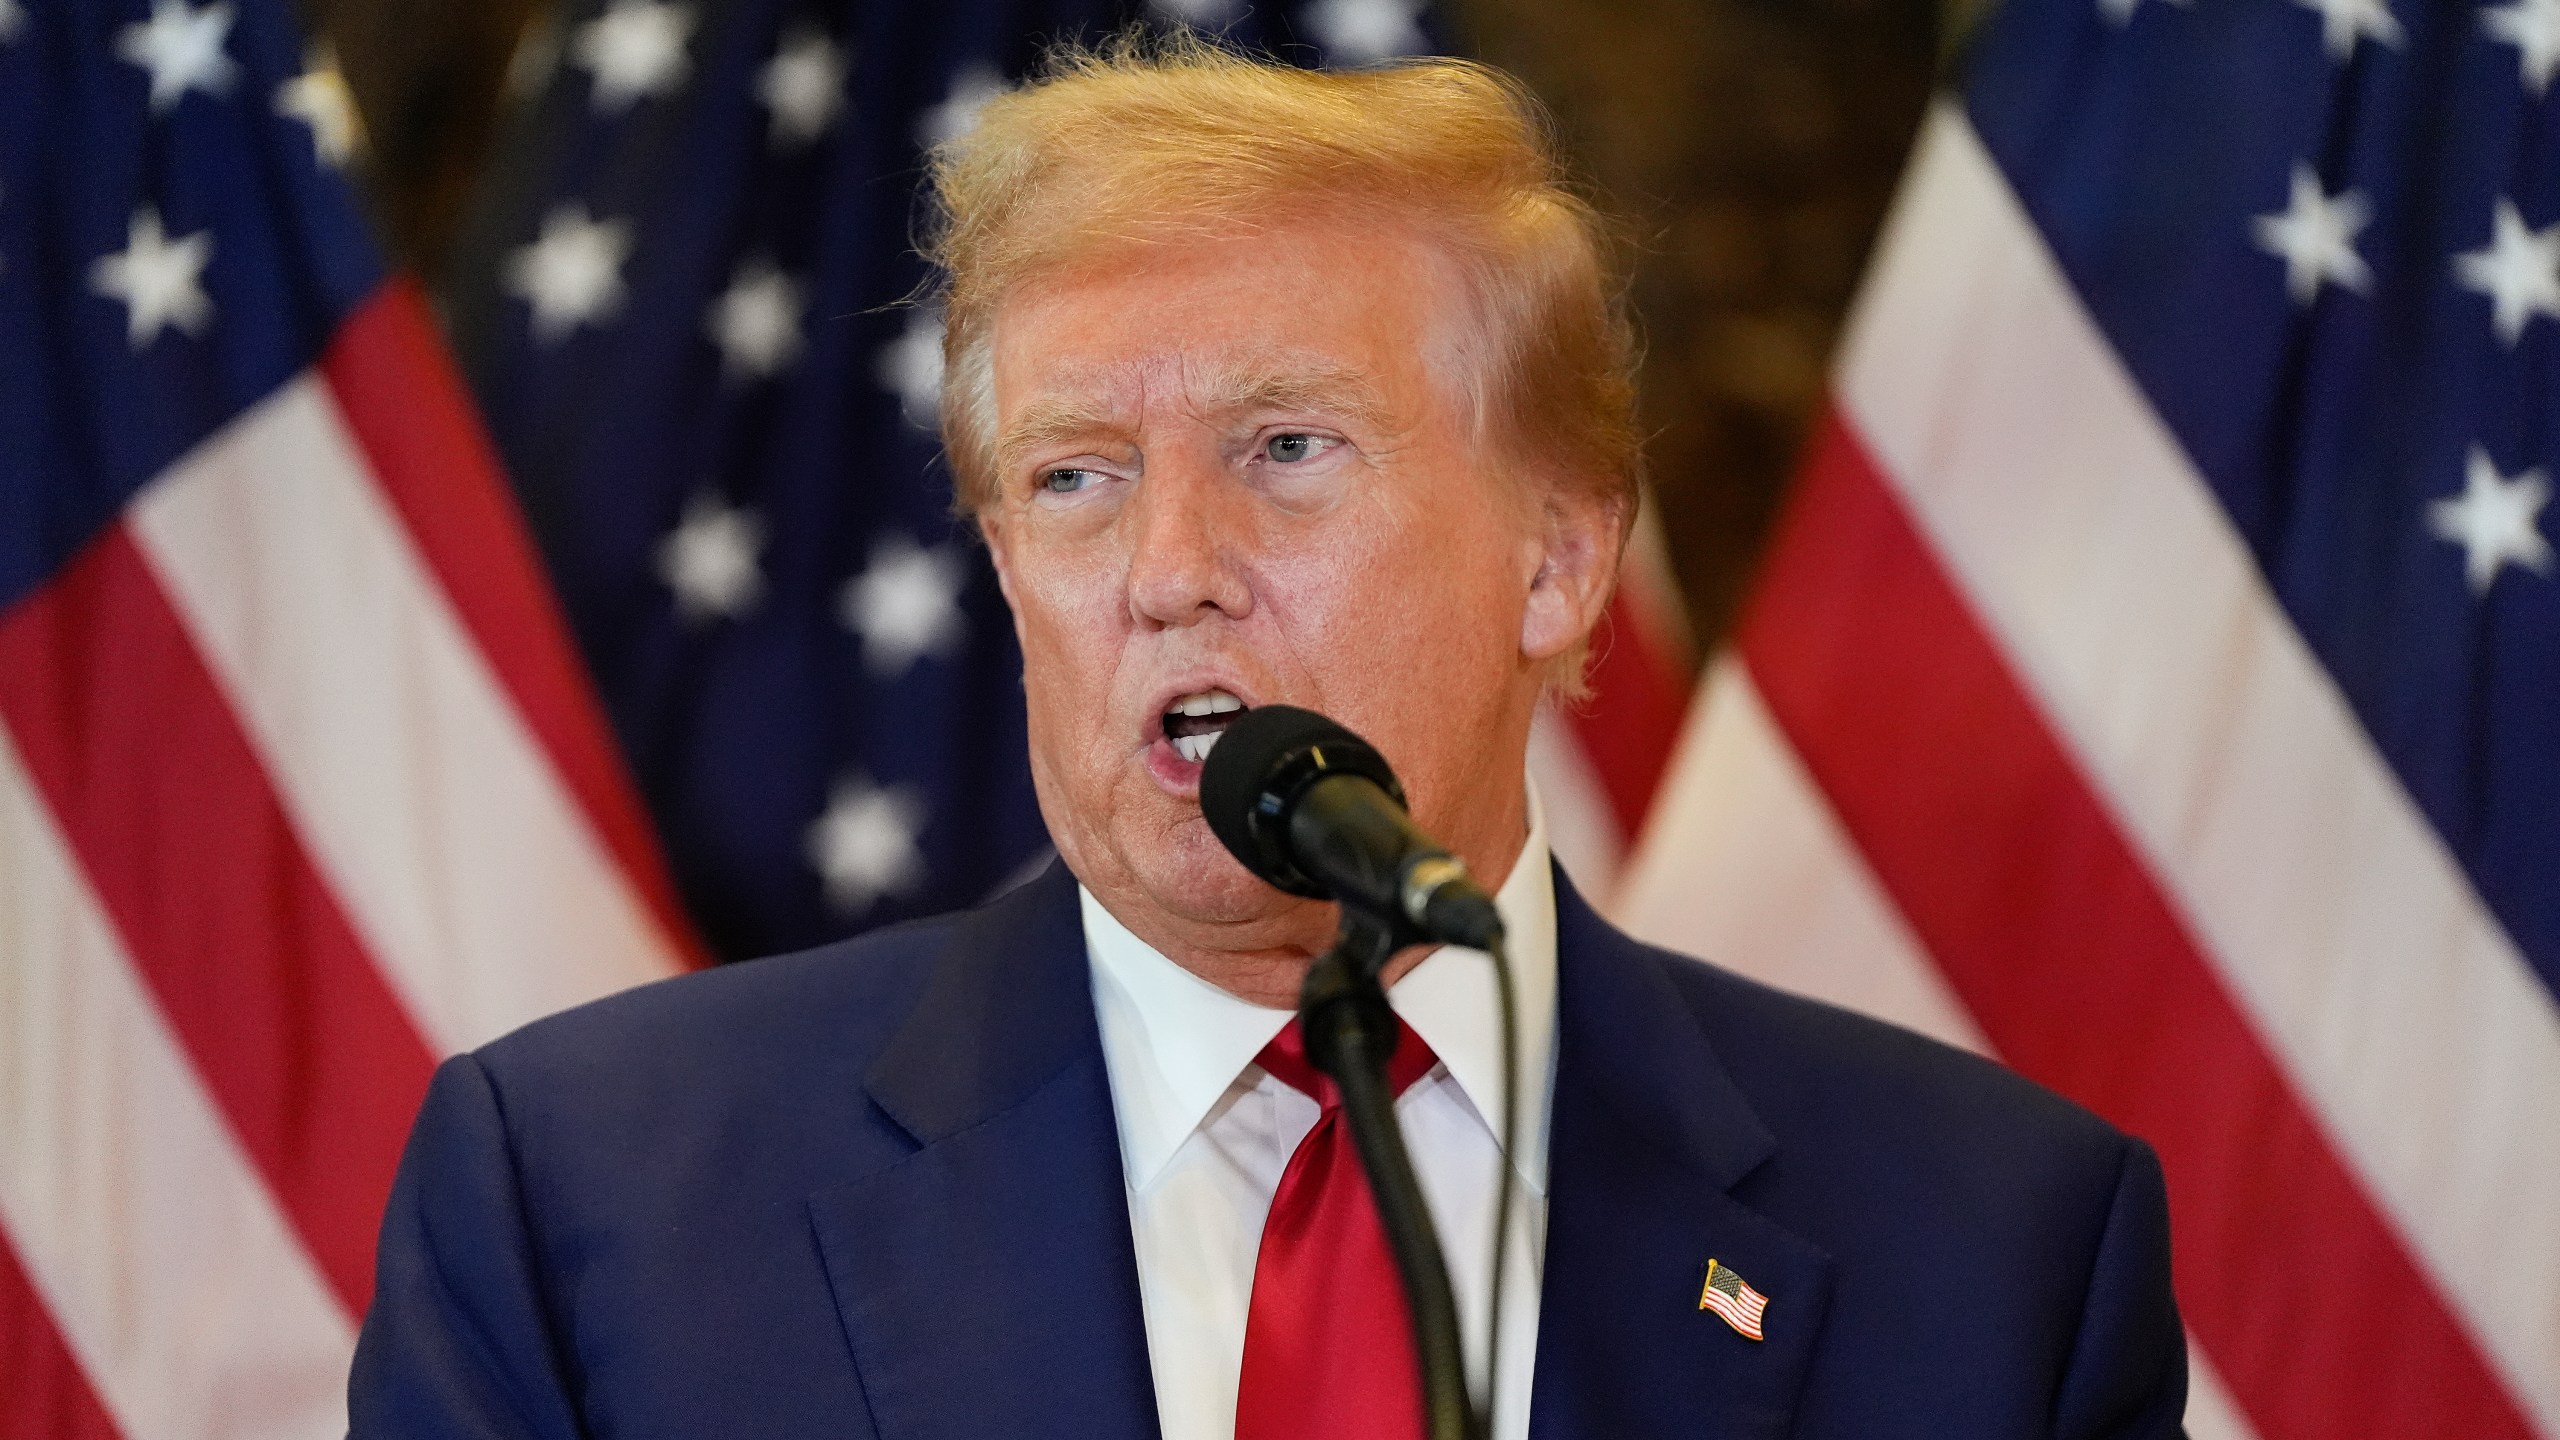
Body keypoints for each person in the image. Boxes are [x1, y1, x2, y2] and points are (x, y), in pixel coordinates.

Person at [349, 35, 2187, 1440]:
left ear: (1559, 558)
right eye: (1074, 478)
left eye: (1287, 450)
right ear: (1003, 566)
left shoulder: (1996, 1252)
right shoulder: (594, 1208)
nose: (1166, 573)